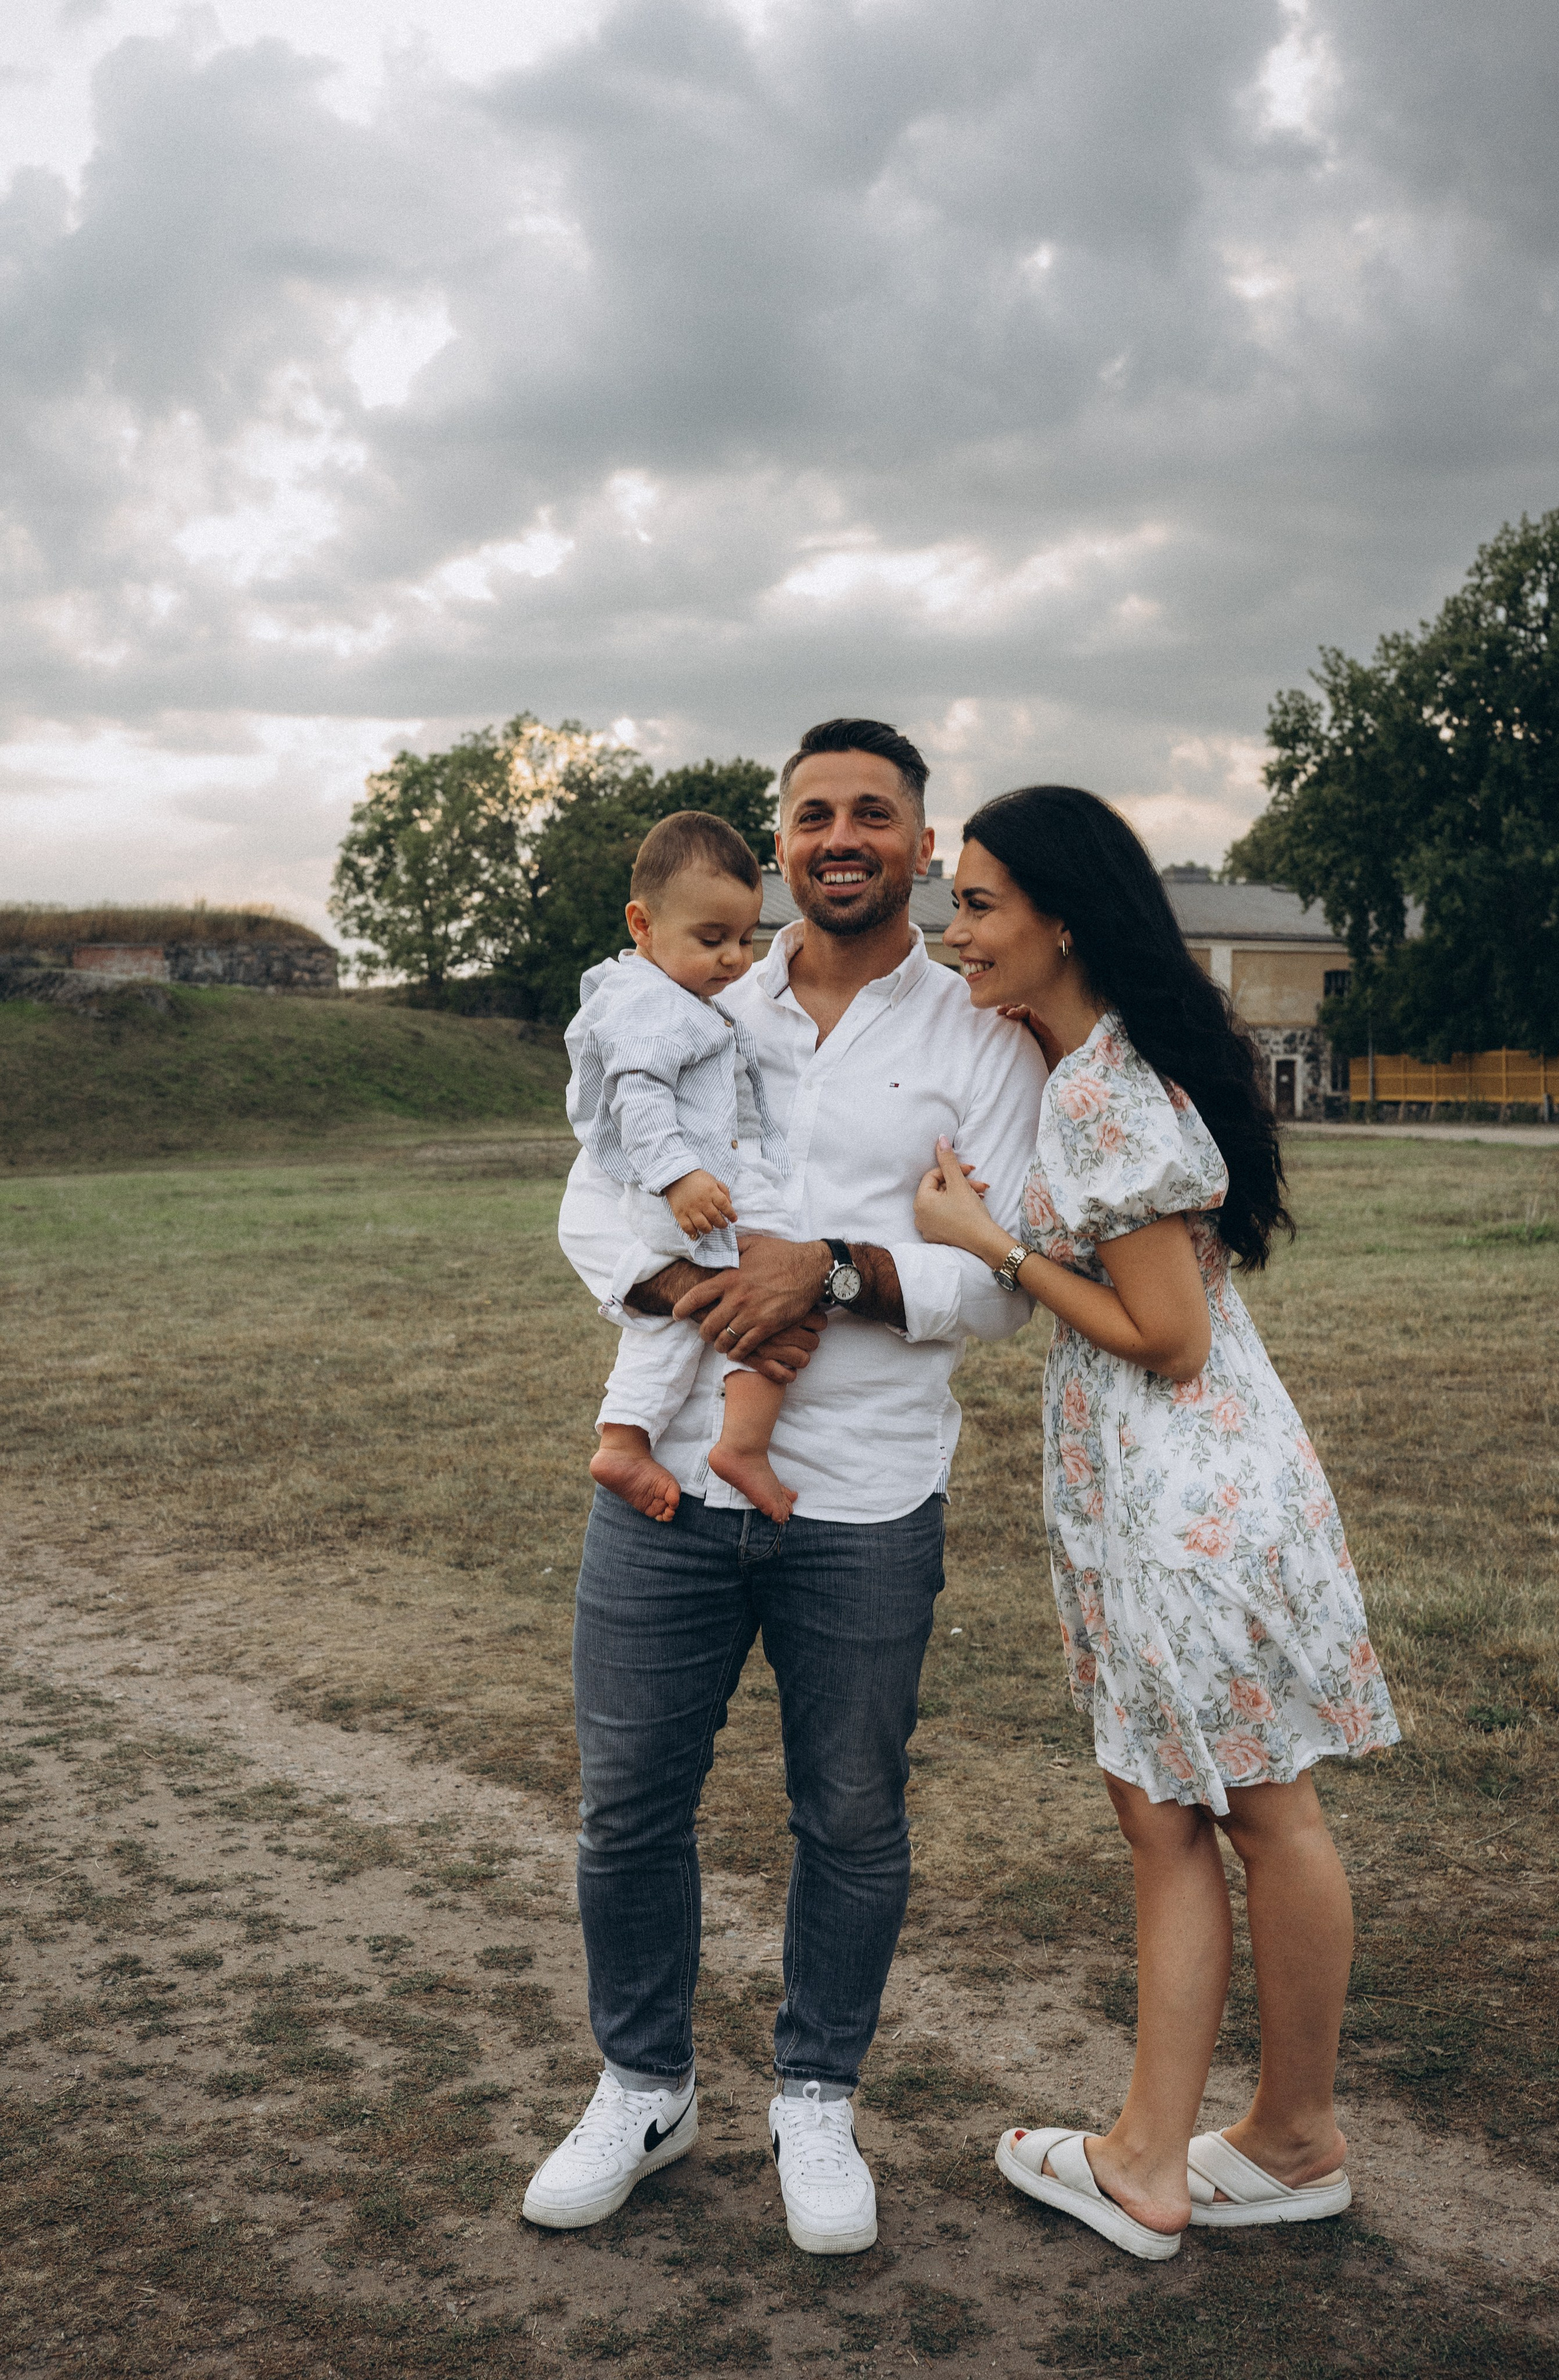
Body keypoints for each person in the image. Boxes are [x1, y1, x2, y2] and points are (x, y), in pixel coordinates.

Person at [522, 720, 1048, 2255]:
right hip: (667, 1483)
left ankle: (814, 2097)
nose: (839, 834)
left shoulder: (975, 1039)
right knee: (627, 1807)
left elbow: (1004, 1273)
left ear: (920, 844)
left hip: (864, 1494)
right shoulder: (689, 989)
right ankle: (643, 2082)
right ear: (777, 835)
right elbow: (587, 1198)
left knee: (850, 1813)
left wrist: (831, 1269)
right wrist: (703, 1295)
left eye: (870, 813)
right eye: (811, 810)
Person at [913, 785, 1399, 2263]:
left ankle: (1227, 2141)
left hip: (1186, 1485)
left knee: (1247, 1808)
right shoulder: (1096, 1055)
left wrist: (985, 1240)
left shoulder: (1105, 1095)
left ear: (1064, 915)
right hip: (1186, 1483)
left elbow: (1165, 1333)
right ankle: (1228, 2139)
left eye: (981, 903)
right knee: (1196, 1808)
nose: (956, 932)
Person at [564, 809, 803, 1525]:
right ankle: (742, 1446)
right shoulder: (649, 1004)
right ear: (641, 924)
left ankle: (625, 1437)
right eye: (712, 939)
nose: (735, 959)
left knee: (674, 1325)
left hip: (686, 1190)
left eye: (744, 938)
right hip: (686, 1191)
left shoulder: (674, 995)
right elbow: (635, 1094)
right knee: (778, 1290)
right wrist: (679, 1176)